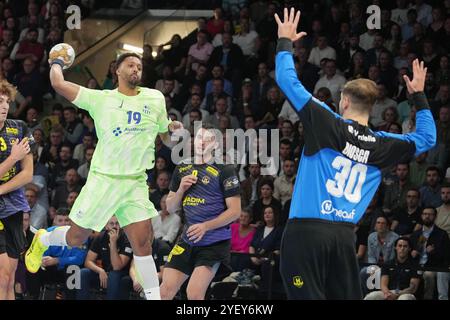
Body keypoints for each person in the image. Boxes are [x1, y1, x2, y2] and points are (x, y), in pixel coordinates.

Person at [274, 8, 436, 300]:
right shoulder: (383, 143)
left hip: (307, 233)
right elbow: (427, 138)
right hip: (344, 238)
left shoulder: (326, 120)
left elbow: (288, 81)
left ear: (344, 101)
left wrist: (285, 42)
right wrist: (419, 96)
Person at [25, 51, 183, 300]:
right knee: (76, 238)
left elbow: (164, 134)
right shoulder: (100, 99)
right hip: (104, 180)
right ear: (117, 70)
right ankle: (45, 238)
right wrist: (56, 62)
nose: (135, 69)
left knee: (143, 245)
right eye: (130, 65)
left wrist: (172, 131)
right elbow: (57, 83)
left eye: (139, 66)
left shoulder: (155, 98)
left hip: (135, 182)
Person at [159, 124, 241, 300]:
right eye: (199, 138)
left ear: (216, 145)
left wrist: (206, 226)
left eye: (208, 139)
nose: (202, 143)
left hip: (213, 243)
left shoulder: (225, 170)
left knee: (194, 294)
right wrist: (181, 189)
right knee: (165, 291)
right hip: (187, 240)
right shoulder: (181, 168)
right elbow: (170, 208)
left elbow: (235, 212)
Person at [0, 80, 34, 300]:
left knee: (11, 278)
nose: (4, 105)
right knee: (2, 276)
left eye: (6, 101)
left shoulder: (19, 127)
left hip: (13, 205)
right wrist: (13, 157)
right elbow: (18, 161)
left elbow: (28, 173)